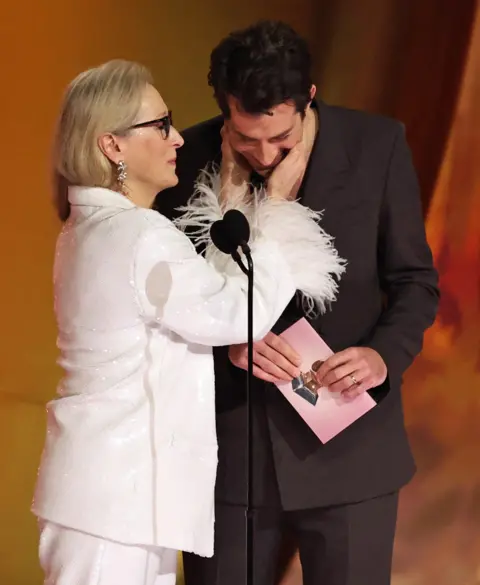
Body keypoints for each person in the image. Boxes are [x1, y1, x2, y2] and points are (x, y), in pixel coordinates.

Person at [31, 59, 345, 585]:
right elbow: (236, 314)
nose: (177, 138)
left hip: (116, 500)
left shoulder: (97, 229)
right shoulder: (137, 236)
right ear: (113, 146)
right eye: (160, 125)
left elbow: (205, 299)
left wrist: (229, 196)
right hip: (117, 503)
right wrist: (280, 202)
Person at [156, 20, 440, 585]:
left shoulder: (376, 146)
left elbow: (415, 282)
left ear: (308, 98)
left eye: (280, 140)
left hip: (352, 453)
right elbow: (166, 309)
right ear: (224, 111)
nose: (263, 154)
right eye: (244, 138)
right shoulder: (183, 168)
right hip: (230, 460)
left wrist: (381, 357)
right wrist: (228, 344)